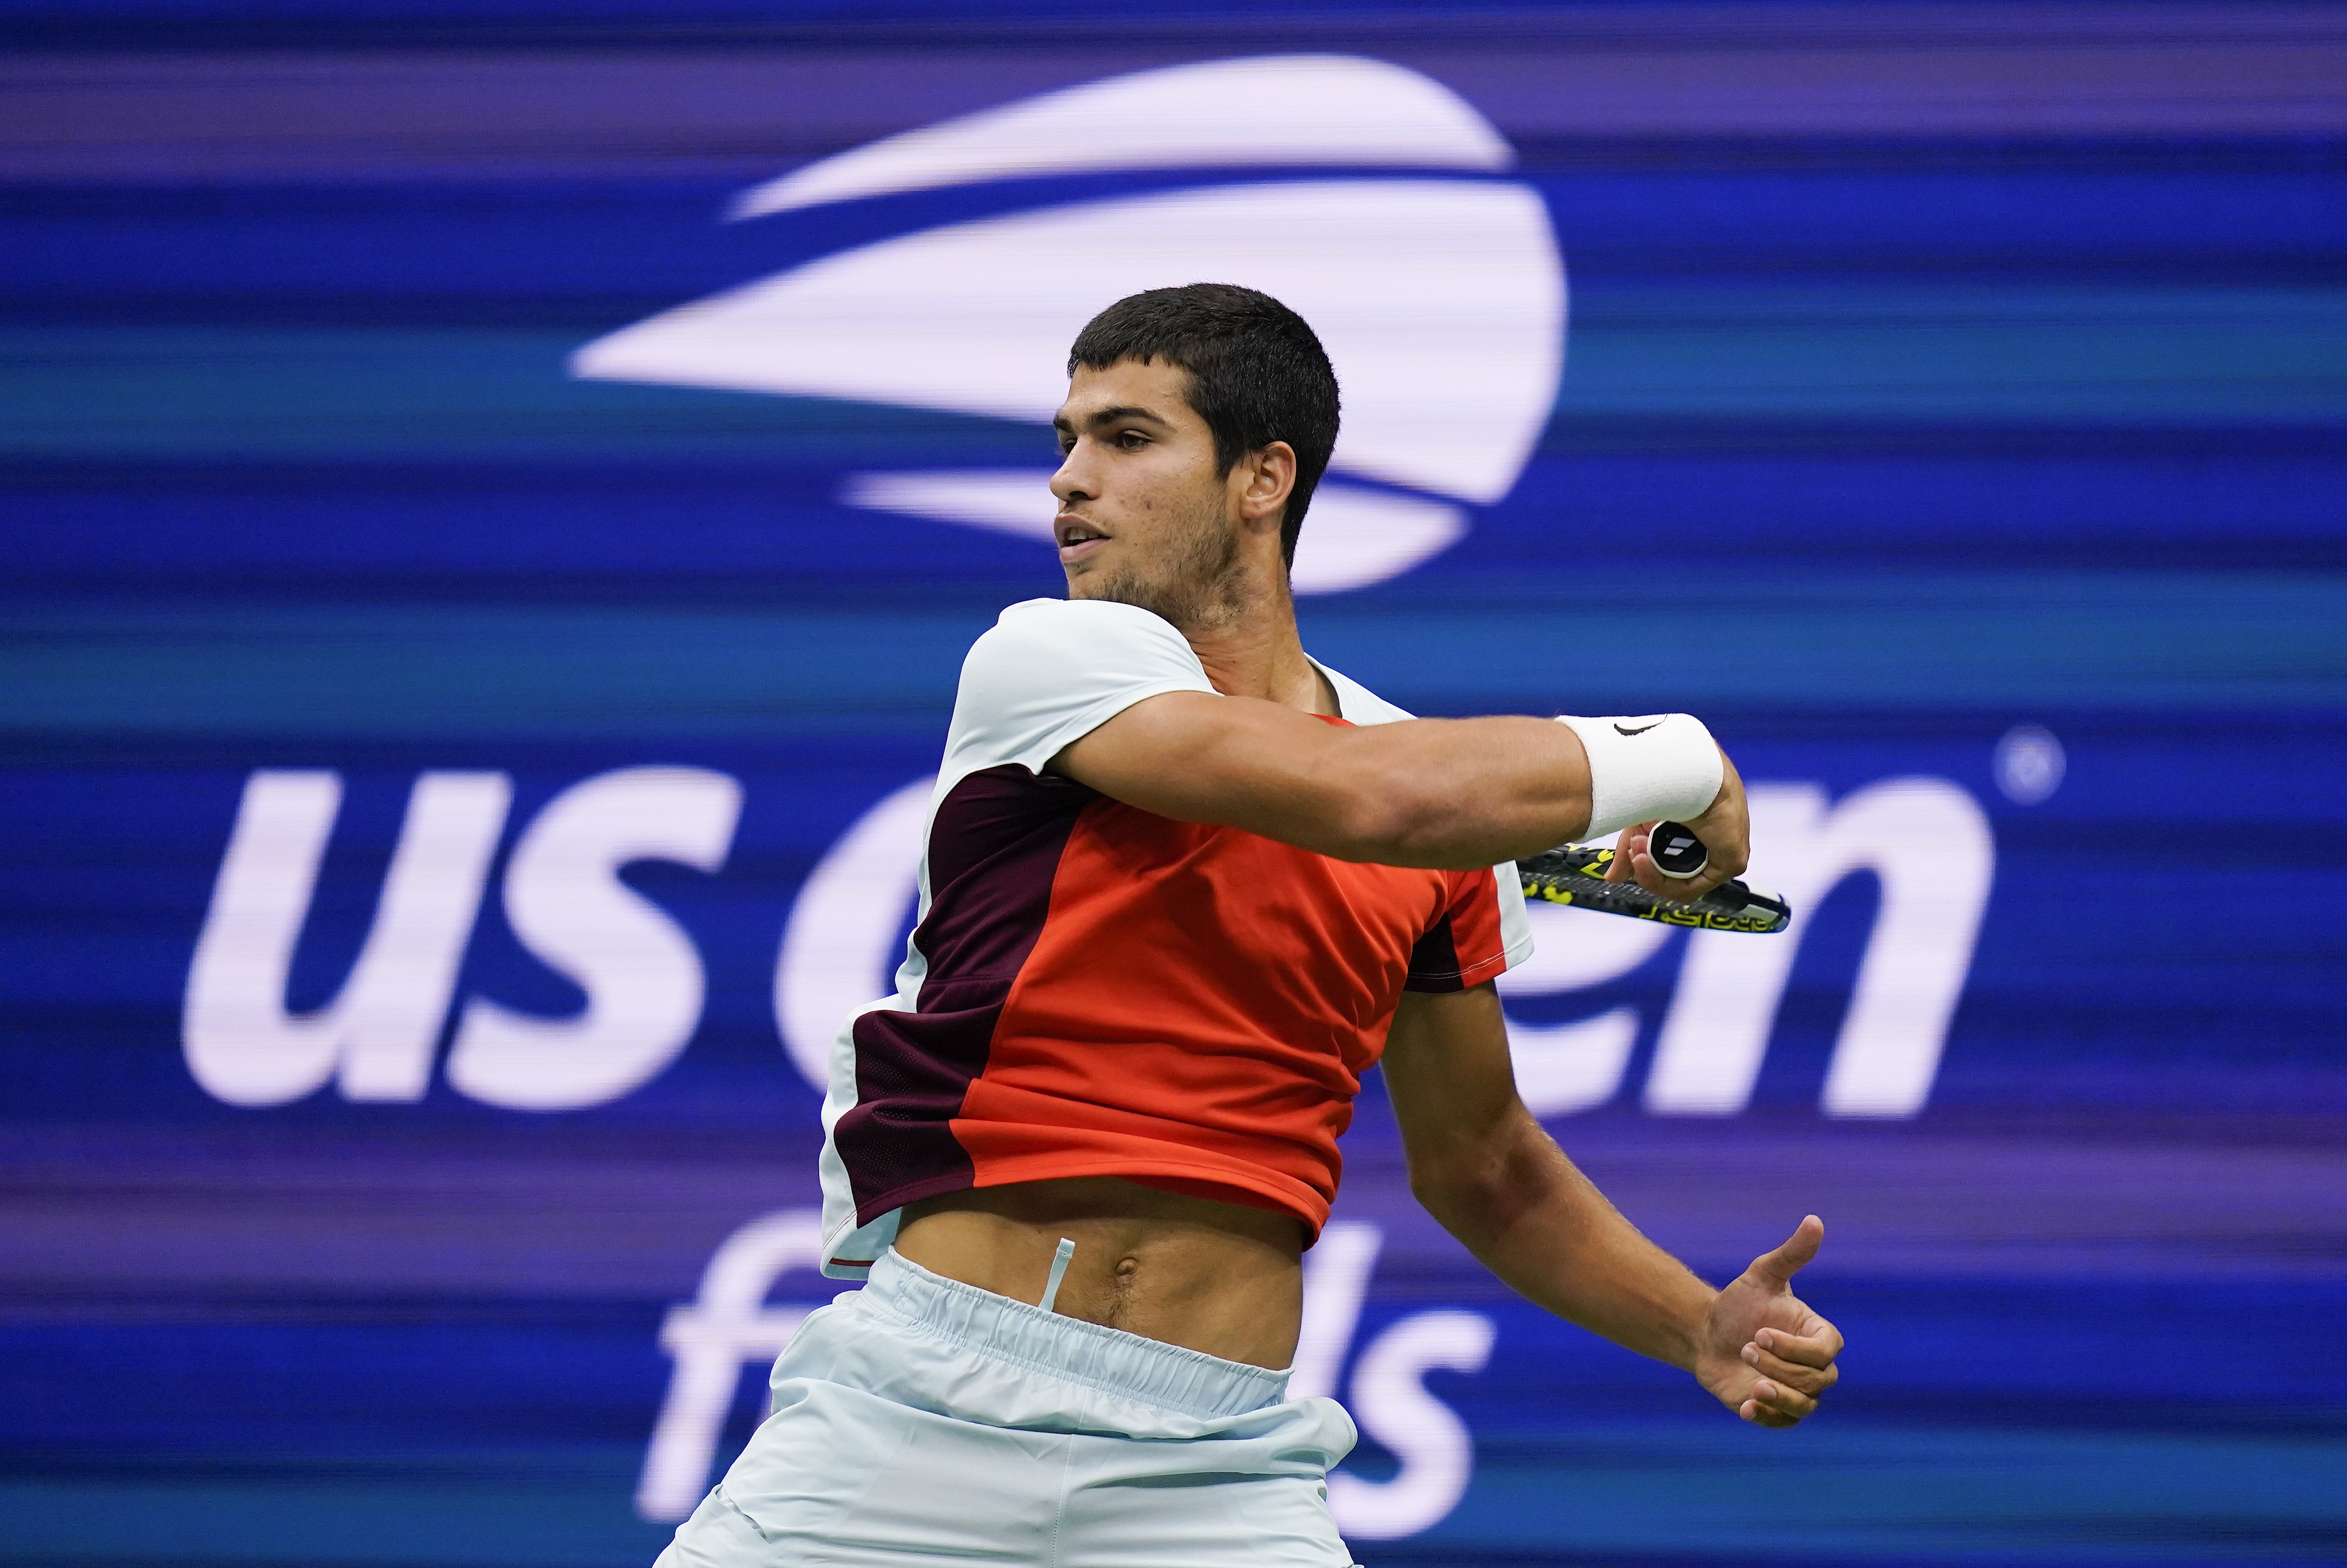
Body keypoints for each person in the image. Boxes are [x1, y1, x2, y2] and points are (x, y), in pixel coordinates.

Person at [658, 283, 1843, 1567]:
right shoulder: (1048, 665)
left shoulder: (1444, 810)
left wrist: (1698, 1326)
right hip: (914, 1415)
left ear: (1262, 477)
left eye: (1125, 439)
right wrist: (1679, 754)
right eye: (1064, 442)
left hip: (1209, 1468)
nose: (1069, 482)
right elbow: (1364, 795)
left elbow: (1486, 1163)